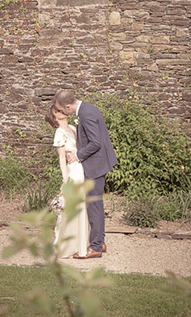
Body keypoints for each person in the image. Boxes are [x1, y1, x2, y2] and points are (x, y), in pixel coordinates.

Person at [53, 89, 118, 259]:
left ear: (68, 106)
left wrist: (78, 155)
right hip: (98, 163)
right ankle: (100, 241)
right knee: (95, 204)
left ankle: (95, 247)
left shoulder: (86, 114)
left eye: (61, 109)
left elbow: (95, 142)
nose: (61, 113)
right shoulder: (88, 108)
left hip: (95, 165)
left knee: (94, 206)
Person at [45, 104, 89, 258]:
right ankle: (66, 245)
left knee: (82, 204)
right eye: (57, 111)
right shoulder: (59, 133)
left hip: (82, 167)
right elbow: (62, 158)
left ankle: (81, 243)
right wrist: (65, 179)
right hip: (73, 171)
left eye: (60, 109)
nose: (61, 111)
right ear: (54, 117)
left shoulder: (72, 127)